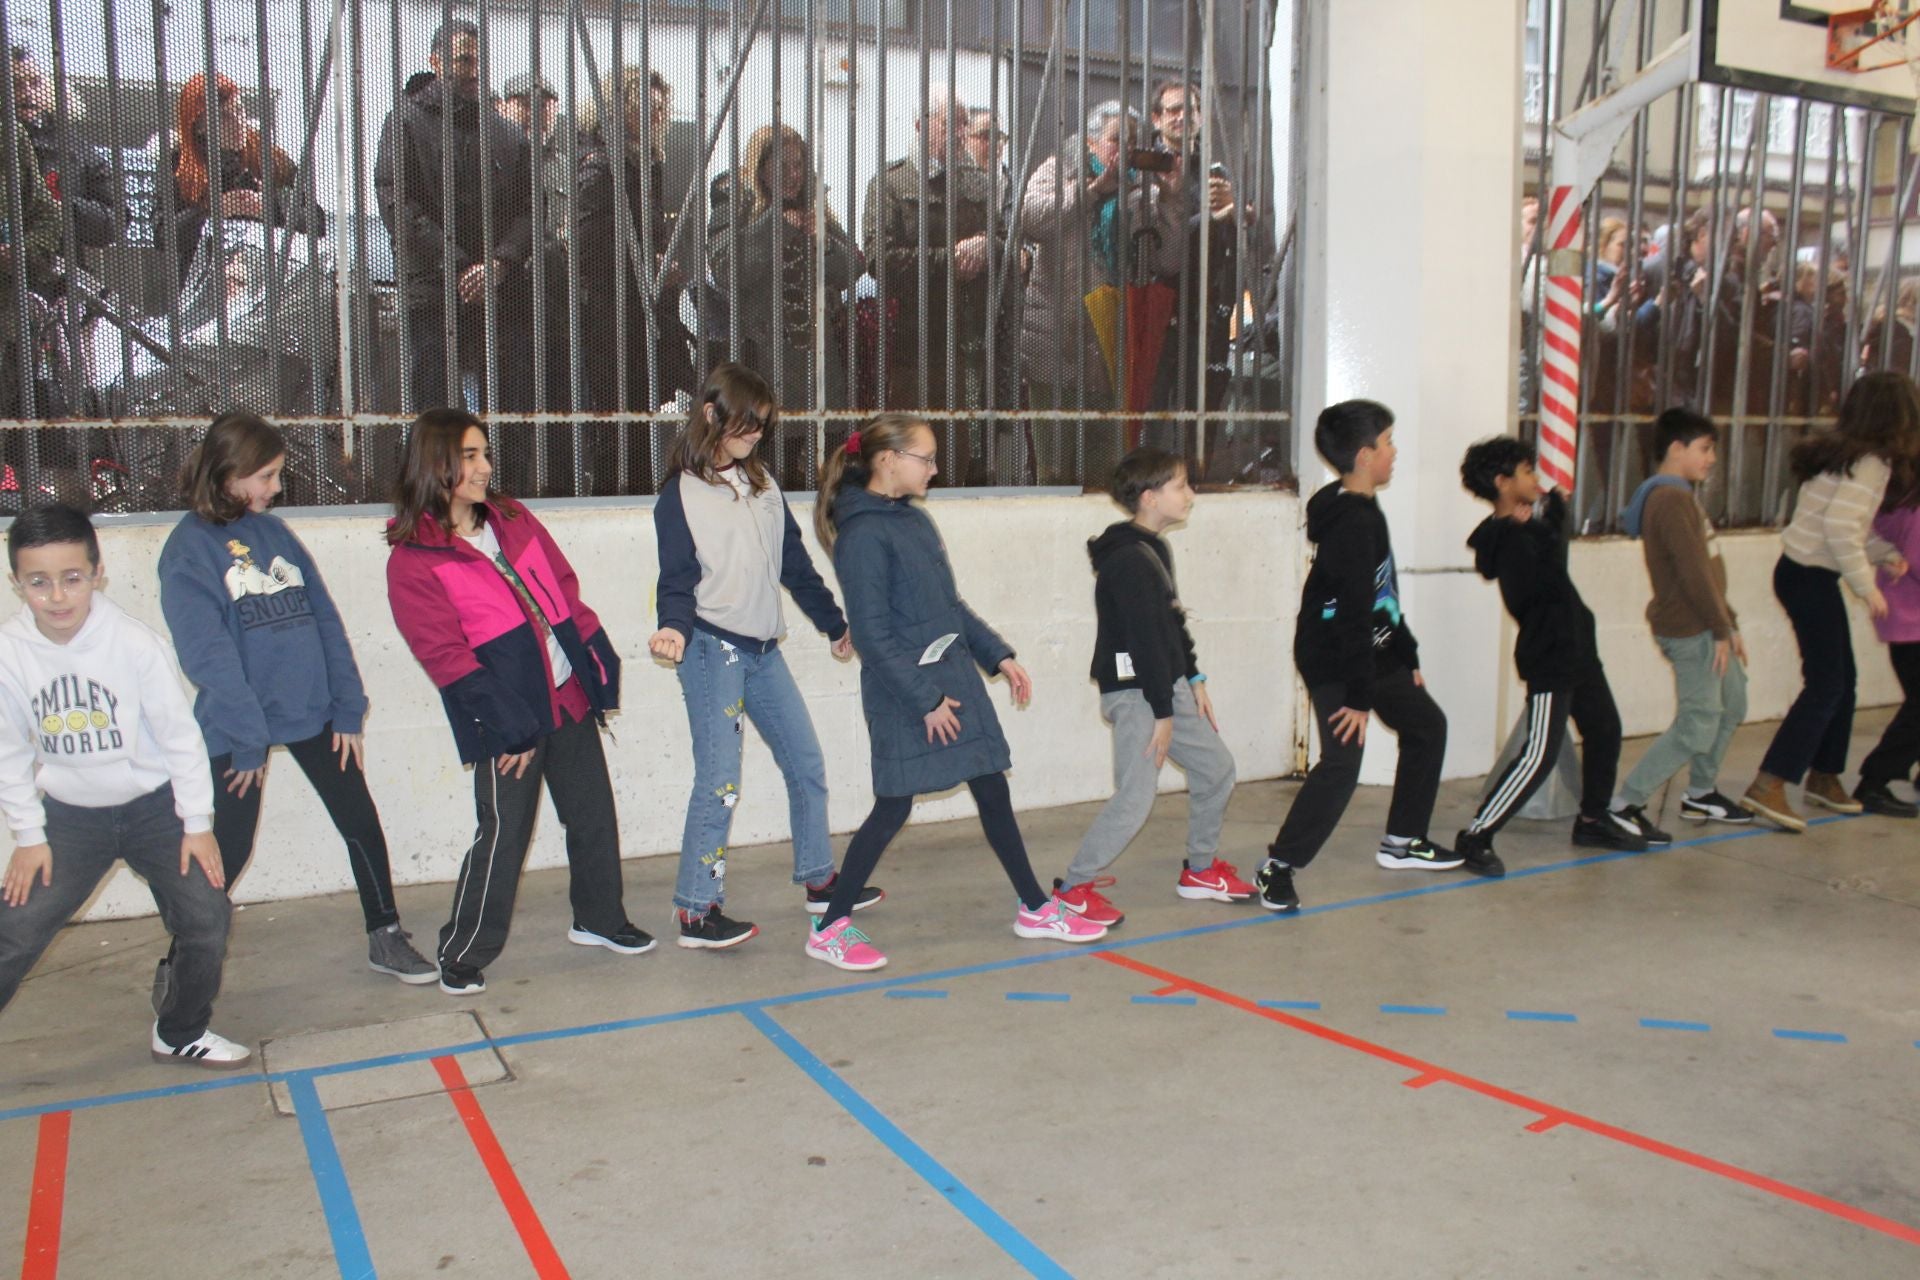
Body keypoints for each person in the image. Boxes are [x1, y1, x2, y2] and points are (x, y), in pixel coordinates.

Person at [804, 413, 1108, 969]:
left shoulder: (913, 522)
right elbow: (872, 635)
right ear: (887, 460)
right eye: (925, 458)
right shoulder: (863, 534)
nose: (935, 469)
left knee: (991, 785)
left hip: (952, 682)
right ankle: (830, 926)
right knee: (893, 806)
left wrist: (999, 655)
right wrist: (925, 701)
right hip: (908, 693)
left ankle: (1036, 907)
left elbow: (950, 607)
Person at [157, 410, 436, 995]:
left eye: (277, 475)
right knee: (225, 852)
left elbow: (325, 620)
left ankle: (385, 934)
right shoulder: (187, 551)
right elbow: (207, 658)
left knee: (360, 820)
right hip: (240, 731)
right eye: (264, 476)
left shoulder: (276, 535)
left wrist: (347, 705)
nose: (274, 489)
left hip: (313, 714)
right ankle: (183, 960)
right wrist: (247, 740)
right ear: (226, 472)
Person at [385, 408, 649, 994]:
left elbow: (564, 588)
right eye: (471, 457)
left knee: (592, 815)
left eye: (484, 453)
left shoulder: (512, 517)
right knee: (503, 834)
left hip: (566, 696)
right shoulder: (413, 560)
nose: (485, 467)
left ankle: (600, 919)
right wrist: (509, 727)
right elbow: (446, 657)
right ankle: (462, 951)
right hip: (508, 719)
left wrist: (595, 665)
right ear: (437, 466)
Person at [0, 503, 248, 1068]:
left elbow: (180, 737)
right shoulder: (9, 655)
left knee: (207, 917)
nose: (57, 596)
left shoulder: (134, 644)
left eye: (72, 578)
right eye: (38, 582)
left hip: (154, 811)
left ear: (97, 573)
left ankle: (181, 1028)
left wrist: (196, 825)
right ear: (17, 583)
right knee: (15, 928)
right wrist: (29, 834)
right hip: (69, 820)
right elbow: (9, 752)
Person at [649, 364, 874, 948]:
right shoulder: (679, 494)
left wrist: (833, 623)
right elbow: (675, 578)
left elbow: (793, 564)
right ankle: (697, 910)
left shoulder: (765, 485)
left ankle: (820, 881)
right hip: (709, 649)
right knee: (720, 781)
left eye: (762, 427)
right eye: (747, 425)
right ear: (711, 415)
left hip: (763, 649)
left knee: (807, 764)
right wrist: (671, 628)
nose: (755, 437)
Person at [1254, 401, 1460, 915]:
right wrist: (1360, 697)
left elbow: (1380, 596)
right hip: (1334, 655)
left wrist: (1405, 651)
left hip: (1370, 646)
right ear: (1366, 456)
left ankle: (1403, 840)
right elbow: (1350, 616)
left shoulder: (1359, 507)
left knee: (1426, 725)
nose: (1395, 452)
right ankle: (1278, 867)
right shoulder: (1351, 524)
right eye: (1388, 443)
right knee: (1343, 763)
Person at [1055, 446, 1245, 929]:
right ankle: (1073, 887)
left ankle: (1200, 871)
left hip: (1166, 686)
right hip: (1140, 694)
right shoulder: (1129, 561)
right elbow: (1142, 643)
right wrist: (1162, 712)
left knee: (1217, 768)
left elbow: (1170, 623)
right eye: (1181, 485)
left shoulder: (1154, 548)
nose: (1191, 494)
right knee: (1136, 796)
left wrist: (1194, 675)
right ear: (1149, 497)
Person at [1455, 437, 1650, 869]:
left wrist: (1547, 522)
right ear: (1503, 483)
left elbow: (1553, 566)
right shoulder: (1508, 540)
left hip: (1577, 644)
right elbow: (1539, 583)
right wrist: (1544, 526)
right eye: (1527, 472)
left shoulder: (1524, 530)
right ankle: (1477, 834)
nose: (1536, 479)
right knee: (1540, 753)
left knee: (1605, 729)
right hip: (1551, 652)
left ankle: (1594, 818)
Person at [1741, 371, 1918, 830]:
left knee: (1844, 679)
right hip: (1809, 577)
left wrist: (1885, 554)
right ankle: (1770, 783)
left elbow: (1842, 522)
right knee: (1826, 685)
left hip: (1802, 573)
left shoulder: (1845, 456)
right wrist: (1867, 584)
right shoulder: (1870, 463)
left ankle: (1824, 775)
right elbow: (1840, 531)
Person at [374, 19, 535, 414]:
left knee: (507, 414)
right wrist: (460, 265)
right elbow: (397, 202)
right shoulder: (406, 122)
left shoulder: (506, 133)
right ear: (436, 61)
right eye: (464, 60)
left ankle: (503, 478)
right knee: (438, 414)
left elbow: (531, 208)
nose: (474, 70)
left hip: (498, 290)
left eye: (479, 60)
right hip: (432, 290)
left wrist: (500, 261)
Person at [1613, 408, 1752, 828]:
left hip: (1710, 624)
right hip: (1691, 629)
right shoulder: (1670, 499)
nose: (1711, 458)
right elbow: (1692, 574)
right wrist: (1719, 628)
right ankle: (1625, 805)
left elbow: (1708, 572)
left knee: (1732, 704)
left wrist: (1730, 622)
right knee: (1696, 724)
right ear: (1677, 448)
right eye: (1705, 449)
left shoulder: (1682, 495)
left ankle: (1700, 793)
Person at [1021, 101, 1186, 419]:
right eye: (1116, 139)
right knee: (1056, 459)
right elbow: (1030, 221)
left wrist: (1170, 199)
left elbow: (1168, 262)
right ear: (1090, 142)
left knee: (1105, 457)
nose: (1125, 149)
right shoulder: (1060, 170)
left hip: (1114, 341)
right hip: (1057, 339)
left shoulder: (1144, 191)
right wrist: (1094, 190)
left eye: (1134, 143)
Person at [573, 67, 698, 426]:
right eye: (648, 108)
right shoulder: (603, 164)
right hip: (613, 318)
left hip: (641, 312)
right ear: (620, 109)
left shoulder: (641, 162)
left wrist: (658, 263)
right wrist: (648, 266)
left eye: (662, 108)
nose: (659, 117)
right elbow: (588, 249)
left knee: (645, 419)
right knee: (624, 428)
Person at [708, 125, 861, 412]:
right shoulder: (735, 202)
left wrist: (822, 241)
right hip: (762, 362)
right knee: (772, 449)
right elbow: (726, 271)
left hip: (816, 363)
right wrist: (776, 227)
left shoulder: (812, 205)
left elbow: (853, 267)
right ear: (761, 169)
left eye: (799, 165)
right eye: (783, 166)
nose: (794, 175)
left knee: (828, 449)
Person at [862, 88, 994, 419]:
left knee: (961, 455)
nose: (963, 133)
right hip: (914, 343)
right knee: (913, 449)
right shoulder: (891, 184)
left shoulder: (977, 184)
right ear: (921, 125)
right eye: (952, 124)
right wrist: (951, 259)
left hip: (969, 341)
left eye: (966, 124)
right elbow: (879, 260)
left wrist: (988, 244)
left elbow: (1005, 238)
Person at [161, 73, 325, 287]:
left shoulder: (272, 161)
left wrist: (270, 210)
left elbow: (318, 224)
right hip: (200, 285)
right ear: (200, 126)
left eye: (240, 110)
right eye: (224, 117)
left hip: (267, 286)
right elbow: (163, 235)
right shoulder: (180, 167)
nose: (238, 122)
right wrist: (210, 211)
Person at [10, 46, 125, 261]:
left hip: (60, 275)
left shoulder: (73, 146)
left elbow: (116, 220)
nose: (27, 93)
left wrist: (64, 207)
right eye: (16, 85)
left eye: (35, 83)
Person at [1854, 462, 1920, 817]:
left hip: (1905, 620)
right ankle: (1874, 781)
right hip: (1912, 622)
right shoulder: (1913, 507)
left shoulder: (1896, 501)